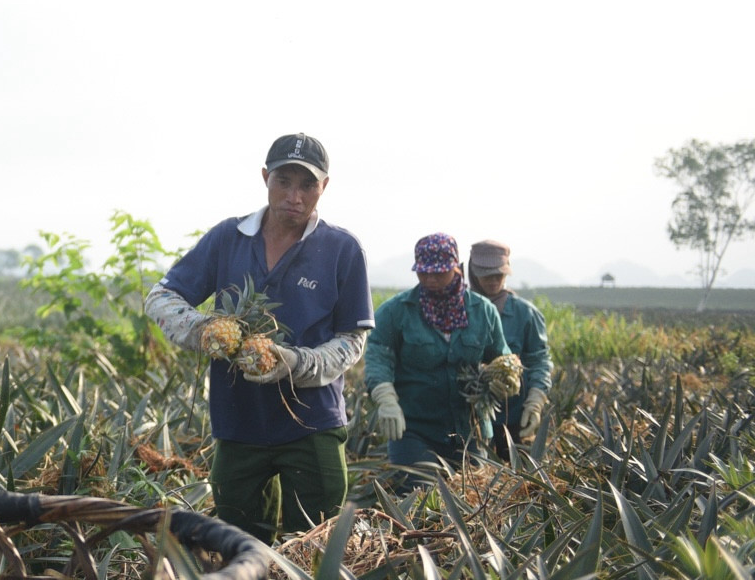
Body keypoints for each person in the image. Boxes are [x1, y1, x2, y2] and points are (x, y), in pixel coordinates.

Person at [144, 133, 373, 542]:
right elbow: (161, 296)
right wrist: (203, 331)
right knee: (237, 546)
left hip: (312, 422)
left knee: (314, 546)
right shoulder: (227, 239)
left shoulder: (342, 249)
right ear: (265, 177)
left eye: (307, 185)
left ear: (324, 187)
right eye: (284, 181)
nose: (295, 196)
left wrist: (297, 363)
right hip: (238, 423)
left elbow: (352, 340)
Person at [365, 234, 518, 476]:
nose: (430, 279)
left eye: (438, 272)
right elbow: (378, 357)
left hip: (470, 430)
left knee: (474, 503)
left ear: (456, 269)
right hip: (414, 429)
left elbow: (501, 356)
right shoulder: (396, 312)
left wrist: (506, 378)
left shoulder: (483, 311)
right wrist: (385, 397)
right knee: (417, 499)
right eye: (423, 272)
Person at [468, 239, 552, 458]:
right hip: (469, 419)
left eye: (499, 274)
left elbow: (539, 360)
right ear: (473, 272)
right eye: (487, 274)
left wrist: (535, 399)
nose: (494, 280)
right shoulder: (459, 311)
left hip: (513, 418)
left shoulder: (525, 314)